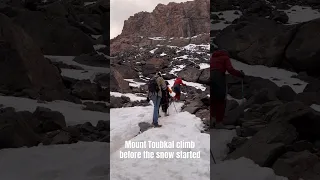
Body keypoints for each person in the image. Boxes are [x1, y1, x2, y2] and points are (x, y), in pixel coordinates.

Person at [210, 49, 245, 129]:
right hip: (219, 78)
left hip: (210, 77)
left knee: (213, 100)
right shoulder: (225, 58)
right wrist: (240, 74)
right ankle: (219, 122)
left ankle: (212, 120)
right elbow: (230, 69)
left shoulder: (212, 58)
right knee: (221, 100)